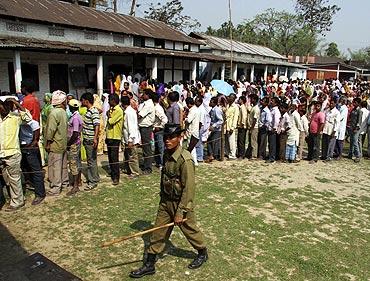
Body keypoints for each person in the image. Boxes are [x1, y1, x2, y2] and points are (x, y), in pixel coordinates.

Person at [129, 123, 208, 278]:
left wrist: (180, 212)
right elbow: (164, 177)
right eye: (166, 137)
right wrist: (162, 200)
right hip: (166, 202)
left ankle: (202, 252)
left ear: (179, 138)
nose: (167, 140)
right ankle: (149, 264)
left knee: (190, 230)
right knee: (158, 232)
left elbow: (188, 189)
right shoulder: (166, 154)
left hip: (182, 203)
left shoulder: (185, 160)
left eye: (171, 137)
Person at [0, 99, 32, 211]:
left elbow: (28, 118)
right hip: (1, 154)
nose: (4, 109)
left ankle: (17, 202)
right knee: (7, 179)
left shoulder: (15, 117)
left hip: (12, 153)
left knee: (14, 178)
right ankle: (15, 197)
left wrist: (17, 103)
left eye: (6, 107)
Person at [19, 108, 46, 205]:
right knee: (25, 169)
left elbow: (36, 139)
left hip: (30, 148)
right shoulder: (19, 122)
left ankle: (40, 194)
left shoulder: (33, 123)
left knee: (36, 170)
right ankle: (32, 184)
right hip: (22, 148)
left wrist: (29, 146)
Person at [45, 91, 69, 196]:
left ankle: (56, 187)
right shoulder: (63, 112)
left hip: (55, 143)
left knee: (55, 166)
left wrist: (48, 142)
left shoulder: (54, 112)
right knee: (63, 165)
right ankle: (65, 182)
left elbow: (51, 129)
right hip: (63, 142)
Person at [80, 92, 101, 189]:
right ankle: (95, 177)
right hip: (88, 138)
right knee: (92, 159)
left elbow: (97, 125)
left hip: (90, 138)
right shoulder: (89, 111)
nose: (81, 102)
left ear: (86, 101)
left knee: (90, 161)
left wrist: (95, 138)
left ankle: (92, 181)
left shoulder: (93, 111)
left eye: (82, 100)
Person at [105, 94, 124, 185]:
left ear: (113, 100)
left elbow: (111, 121)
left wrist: (108, 115)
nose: (108, 102)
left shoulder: (119, 110)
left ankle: (116, 177)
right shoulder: (111, 110)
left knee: (114, 158)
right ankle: (112, 173)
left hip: (115, 137)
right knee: (110, 157)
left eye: (109, 100)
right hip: (109, 136)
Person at [66, 99, 83, 196]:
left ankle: (75, 186)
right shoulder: (76, 116)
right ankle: (78, 181)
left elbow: (75, 133)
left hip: (74, 143)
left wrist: (69, 143)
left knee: (73, 163)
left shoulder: (75, 118)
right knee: (77, 162)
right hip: (76, 142)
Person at [121, 96, 141, 179]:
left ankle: (135, 172)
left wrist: (130, 140)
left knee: (132, 156)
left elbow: (131, 127)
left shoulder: (129, 112)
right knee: (128, 155)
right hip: (127, 138)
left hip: (131, 138)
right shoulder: (129, 111)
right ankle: (129, 170)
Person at [138, 89, 156, 174]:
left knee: (147, 148)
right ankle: (146, 164)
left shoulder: (148, 104)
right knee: (145, 147)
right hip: (143, 127)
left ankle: (148, 168)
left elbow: (140, 115)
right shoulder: (144, 104)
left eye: (144, 94)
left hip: (146, 127)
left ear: (148, 95)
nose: (142, 95)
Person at [152, 93, 168, 168]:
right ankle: (158, 162)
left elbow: (165, 119)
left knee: (160, 147)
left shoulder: (157, 108)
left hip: (159, 130)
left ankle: (162, 163)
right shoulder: (154, 107)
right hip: (155, 129)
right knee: (157, 147)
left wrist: (160, 127)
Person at [206, 97, 223, 162]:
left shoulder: (217, 110)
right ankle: (211, 154)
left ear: (214, 103)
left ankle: (215, 155)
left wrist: (213, 125)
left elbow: (221, 120)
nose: (210, 103)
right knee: (210, 141)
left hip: (217, 129)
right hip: (212, 129)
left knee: (215, 142)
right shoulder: (212, 110)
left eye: (211, 102)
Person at [185, 97, 200, 165]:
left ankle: (193, 161)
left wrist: (184, 118)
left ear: (189, 104)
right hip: (195, 130)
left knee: (191, 146)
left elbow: (188, 120)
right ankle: (194, 161)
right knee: (192, 146)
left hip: (192, 131)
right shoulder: (196, 109)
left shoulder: (192, 110)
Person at [225, 94, 239, 160]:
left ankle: (233, 154)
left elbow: (235, 118)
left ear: (233, 99)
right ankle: (227, 153)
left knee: (232, 141)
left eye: (230, 97)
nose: (228, 98)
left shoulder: (235, 107)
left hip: (231, 125)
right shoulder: (228, 105)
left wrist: (233, 127)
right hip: (226, 124)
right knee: (227, 140)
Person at [267, 97, 281, 163]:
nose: (271, 102)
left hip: (273, 129)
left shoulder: (276, 110)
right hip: (270, 128)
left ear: (276, 103)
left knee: (272, 144)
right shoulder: (271, 109)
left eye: (272, 101)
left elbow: (276, 120)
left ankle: (272, 157)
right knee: (270, 144)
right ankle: (270, 155)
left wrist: (274, 128)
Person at [348, 98, 362, 163]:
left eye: (355, 102)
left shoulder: (359, 111)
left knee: (355, 142)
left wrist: (356, 128)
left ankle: (358, 156)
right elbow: (350, 117)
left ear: (358, 103)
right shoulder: (353, 109)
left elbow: (359, 121)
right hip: (351, 127)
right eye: (353, 102)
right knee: (351, 141)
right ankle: (350, 154)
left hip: (356, 129)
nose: (354, 103)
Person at [247, 94, 260, 160]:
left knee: (253, 142)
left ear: (254, 100)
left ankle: (254, 155)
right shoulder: (253, 107)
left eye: (251, 99)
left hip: (254, 127)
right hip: (252, 126)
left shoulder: (256, 109)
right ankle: (250, 154)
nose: (250, 100)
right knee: (251, 141)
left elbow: (255, 119)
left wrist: (252, 128)